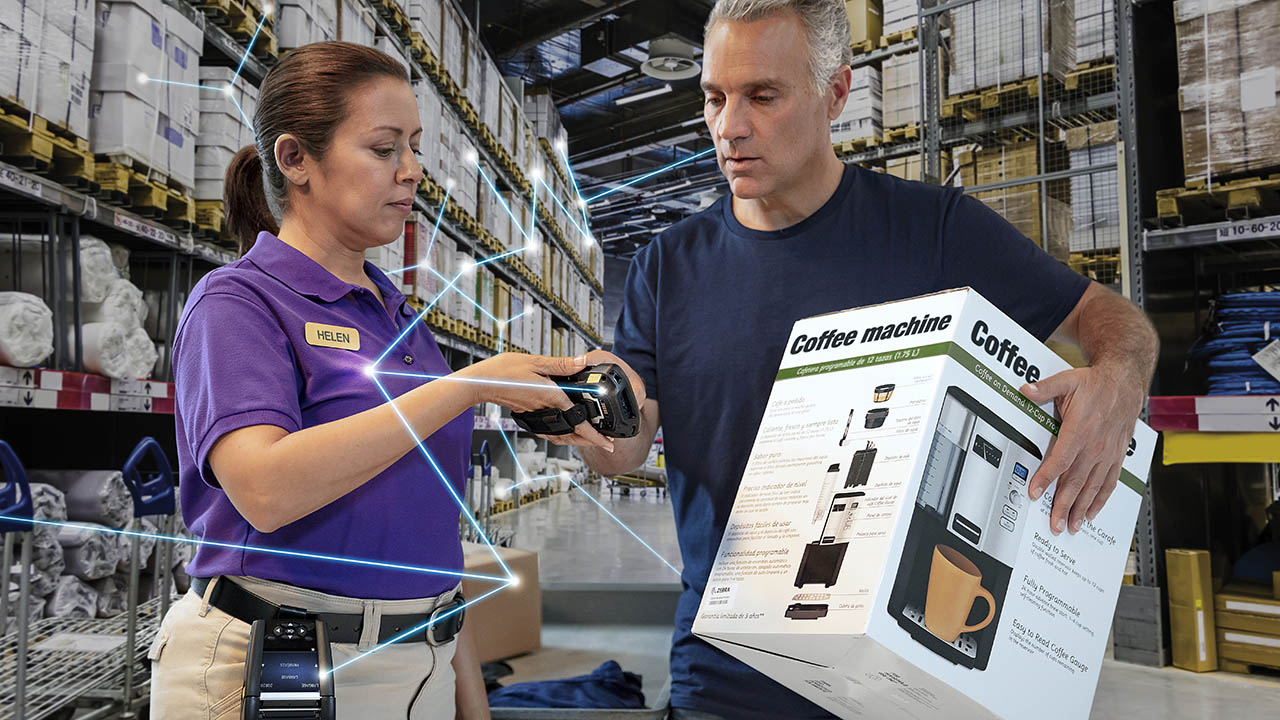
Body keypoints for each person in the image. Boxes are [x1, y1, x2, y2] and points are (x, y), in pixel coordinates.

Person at [550, 2, 1161, 718]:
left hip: (906, 676)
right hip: (729, 675)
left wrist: (1119, 380)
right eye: (714, 98)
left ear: (836, 93)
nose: (729, 127)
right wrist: (589, 427)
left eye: (763, 96)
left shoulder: (935, 232)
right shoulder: (666, 267)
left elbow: (1112, 320)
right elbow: (629, 445)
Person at [149, 42, 613, 719]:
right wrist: (465, 386)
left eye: (416, 149)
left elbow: (429, 540)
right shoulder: (237, 304)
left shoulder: (398, 317)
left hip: (417, 666)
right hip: (277, 668)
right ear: (295, 159)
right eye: (383, 149)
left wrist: (467, 696)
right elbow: (266, 489)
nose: (413, 171)